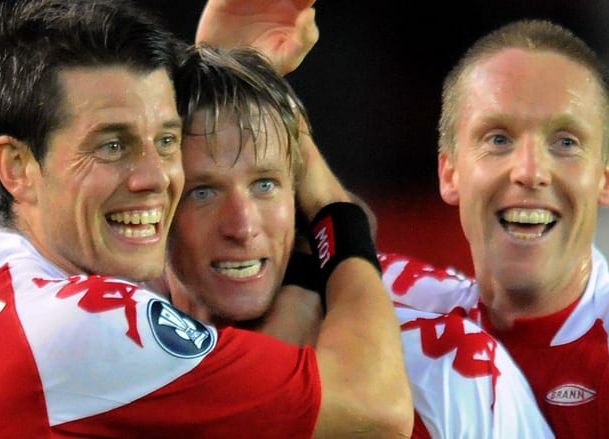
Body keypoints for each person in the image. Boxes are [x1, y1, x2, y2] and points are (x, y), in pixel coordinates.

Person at [0, 0, 413, 437]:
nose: (155, 177)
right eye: (113, 146)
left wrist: (237, 85)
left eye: (167, 140)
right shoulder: (81, 326)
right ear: (17, 167)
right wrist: (332, 210)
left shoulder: (22, 311)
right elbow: (374, 411)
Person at [163, 43, 554, 438]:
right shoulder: (131, 371)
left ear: (298, 194)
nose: (242, 226)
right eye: (203, 192)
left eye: (265, 185)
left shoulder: (450, 370)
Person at [379, 19, 609, 438]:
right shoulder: (389, 302)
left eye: (565, 142)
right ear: (450, 172)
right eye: (498, 139)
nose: (530, 171)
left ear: (607, 176)